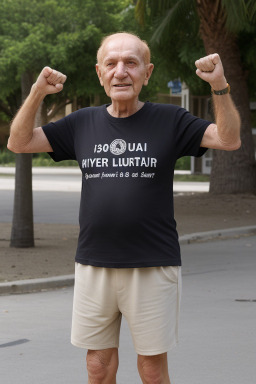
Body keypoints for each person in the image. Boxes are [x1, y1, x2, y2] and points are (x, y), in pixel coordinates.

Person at [8, 32, 241, 384]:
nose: (121, 72)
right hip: (94, 263)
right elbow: (18, 141)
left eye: (131, 63)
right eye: (112, 64)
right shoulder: (81, 123)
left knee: (151, 370)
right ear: (100, 73)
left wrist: (220, 86)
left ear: (147, 73)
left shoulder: (171, 120)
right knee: (98, 368)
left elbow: (229, 139)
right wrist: (38, 92)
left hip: (152, 264)